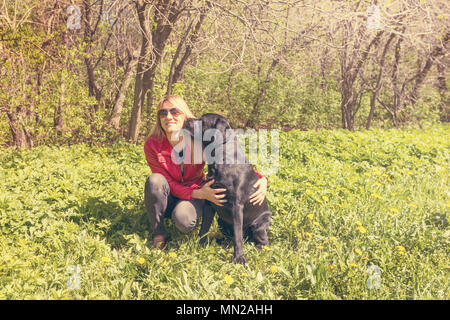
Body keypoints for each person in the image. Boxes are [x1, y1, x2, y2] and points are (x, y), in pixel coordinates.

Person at [144, 95, 268, 249]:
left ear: (184, 116)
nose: (168, 117)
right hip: (170, 195)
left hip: (193, 195)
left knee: (183, 220)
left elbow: (232, 162)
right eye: (162, 113)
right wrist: (199, 194)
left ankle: (185, 219)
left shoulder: (200, 139)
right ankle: (159, 233)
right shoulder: (152, 144)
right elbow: (167, 182)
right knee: (155, 180)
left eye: (174, 112)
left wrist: (262, 179)